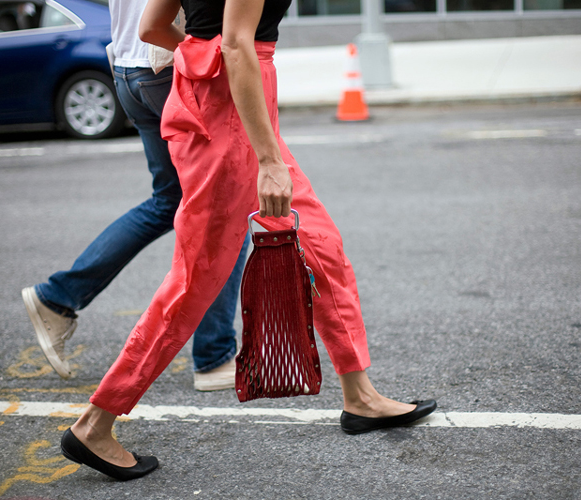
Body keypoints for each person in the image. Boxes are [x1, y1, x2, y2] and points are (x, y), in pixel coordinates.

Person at [59, 0, 437, 481]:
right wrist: (267, 156)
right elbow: (237, 42)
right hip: (232, 110)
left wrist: (205, 60)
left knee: (320, 245)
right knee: (196, 279)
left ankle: (360, 395)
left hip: (233, 98)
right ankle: (95, 423)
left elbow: (155, 27)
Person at [21, 0, 250, 391]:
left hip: (129, 71)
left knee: (168, 202)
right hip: (165, 68)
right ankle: (214, 355)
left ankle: (58, 296)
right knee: (226, 209)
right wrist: (207, 57)